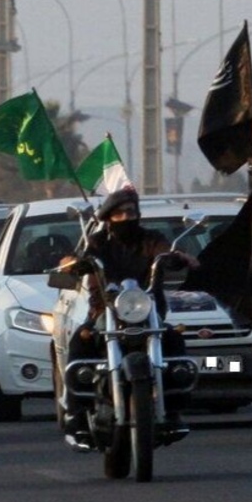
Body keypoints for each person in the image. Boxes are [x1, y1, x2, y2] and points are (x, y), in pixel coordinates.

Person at [60, 188, 197, 440]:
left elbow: (166, 252)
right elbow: (83, 258)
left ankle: (175, 408)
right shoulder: (99, 242)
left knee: (175, 340)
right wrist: (72, 262)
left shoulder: (151, 238)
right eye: (120, 213)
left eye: (131, 212)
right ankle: (75, 412)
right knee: (81, 341)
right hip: (107, 311)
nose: (126, 217)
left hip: (147, 311)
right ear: (109, 217)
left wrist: (178, 258)